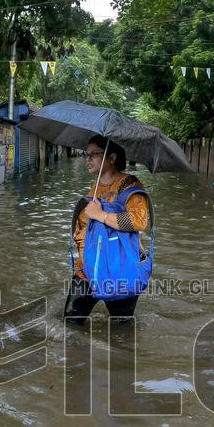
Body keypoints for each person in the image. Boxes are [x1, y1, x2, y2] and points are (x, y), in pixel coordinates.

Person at [64, 135, 152, 324]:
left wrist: (99, 215)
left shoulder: (131, 186)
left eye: (93, 155)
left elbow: (138, 221)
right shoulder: (96, 185)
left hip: (118, 269)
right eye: (85, 155)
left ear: (111, 158)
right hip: (87, 269)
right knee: (70, 322)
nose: (87, 159)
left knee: (121, 329)